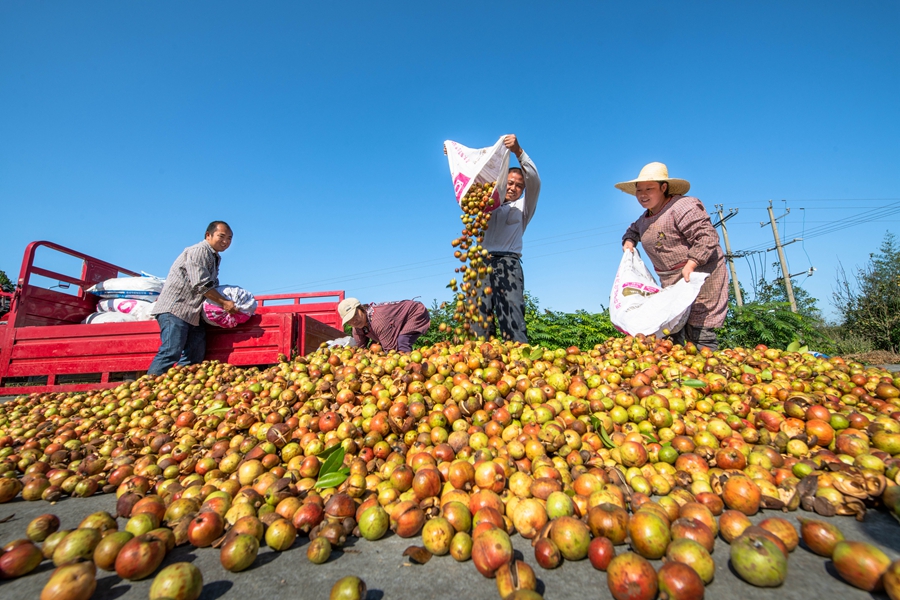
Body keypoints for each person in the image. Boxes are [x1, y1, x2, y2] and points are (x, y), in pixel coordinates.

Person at [617, 162, 729, 350]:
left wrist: (693, 262)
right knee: (669, 331)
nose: (643, 195)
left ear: (663, 187)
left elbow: (707, 236)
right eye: (639, 190)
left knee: (699, 332)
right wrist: (629, 241)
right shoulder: (644, 218)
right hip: (671, 281)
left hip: (700, 275)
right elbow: (633, 230)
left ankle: (711, 374)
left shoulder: (683, 206)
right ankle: (675, 374)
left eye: (649, 189)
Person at [470, 134, 541, 342]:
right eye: (509, 183)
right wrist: (454, 158)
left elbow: (534, 179)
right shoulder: (486, 203)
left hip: (508, 263)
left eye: (519, 185)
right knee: (479, 320)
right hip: (480, 263)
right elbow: (470, 177)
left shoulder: (523, 207)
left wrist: (518, 152)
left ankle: (518, 360)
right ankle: (481, 361)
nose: (513, 187)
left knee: (512, 316)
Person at [147, 222, 238, 375]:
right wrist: (224, 302)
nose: (226, 242)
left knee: (194, 357)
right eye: (221, 236)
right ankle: (147, 389)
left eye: (229, 238)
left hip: (193, 314)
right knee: (171, 352)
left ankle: (177, 388)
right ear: (208, 235)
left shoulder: (214, 257)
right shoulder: (199, 251)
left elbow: (212, 284)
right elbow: (201, 285)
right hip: (176, 309)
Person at [338, 297, 431, 352]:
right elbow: (360, 350)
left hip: (414, 313)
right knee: (377, 346)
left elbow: (391, 351)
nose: (354, 321)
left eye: (355, 315)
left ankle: (408, 373)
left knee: (401, 344)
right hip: (393, 322)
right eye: (350, 319)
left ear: (361, 308)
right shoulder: (357, 328)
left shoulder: (378, 321)